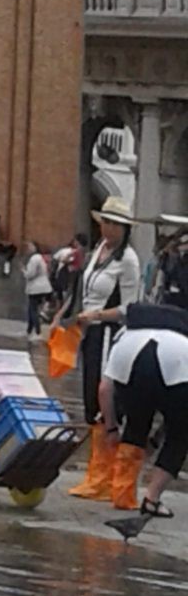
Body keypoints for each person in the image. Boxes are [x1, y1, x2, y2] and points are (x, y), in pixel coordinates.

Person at [56, 196, 142, 502]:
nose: (107, 228)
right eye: (104, 221)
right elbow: (83, 289)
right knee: (91, 397)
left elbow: (131, 306)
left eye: (114, 223)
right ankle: (96, 473)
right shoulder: (97, 253)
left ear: (124, 228)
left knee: (105, 398)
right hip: (89, 331)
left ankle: (105, 475)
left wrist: (96, 316)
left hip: (110, 332)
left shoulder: (127, 260)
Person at [100, 317, 188, 519]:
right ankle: (152, 499)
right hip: (178, 365)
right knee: (180, 436)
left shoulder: (123, 337)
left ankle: (123, 493)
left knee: (136, 423)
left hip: (132, 369)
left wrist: (111, 428)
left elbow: (104, 389)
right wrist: (159, 439)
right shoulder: (182, 340)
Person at [22, 239, 52, 338]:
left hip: (36, 288)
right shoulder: (40, 258)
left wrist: (24, 271)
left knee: (33, 310)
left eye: (30, 246)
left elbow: (30, 274)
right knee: (32, 308)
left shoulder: (34, 258)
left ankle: (37, 331)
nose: (28, 249)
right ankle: (29, 330)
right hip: (43, 287)